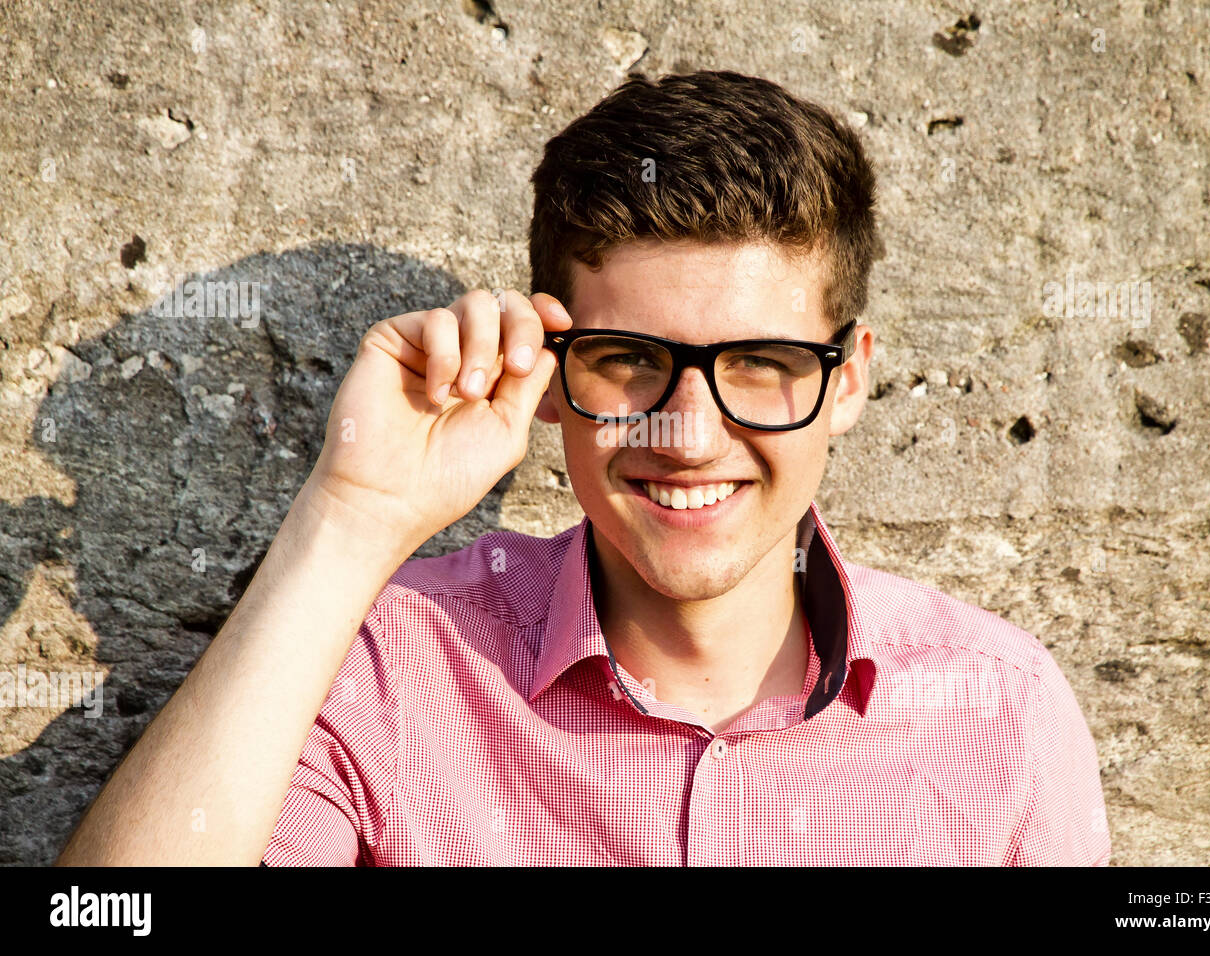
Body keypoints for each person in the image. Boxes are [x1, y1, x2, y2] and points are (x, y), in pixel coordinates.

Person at [56, 70, 1110, 866]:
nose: (688, 434)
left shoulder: (999, 709)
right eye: (631, 362)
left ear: (847, 379)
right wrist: (351, 514)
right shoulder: (391, 665)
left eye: (761, 363)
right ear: (551, 372)